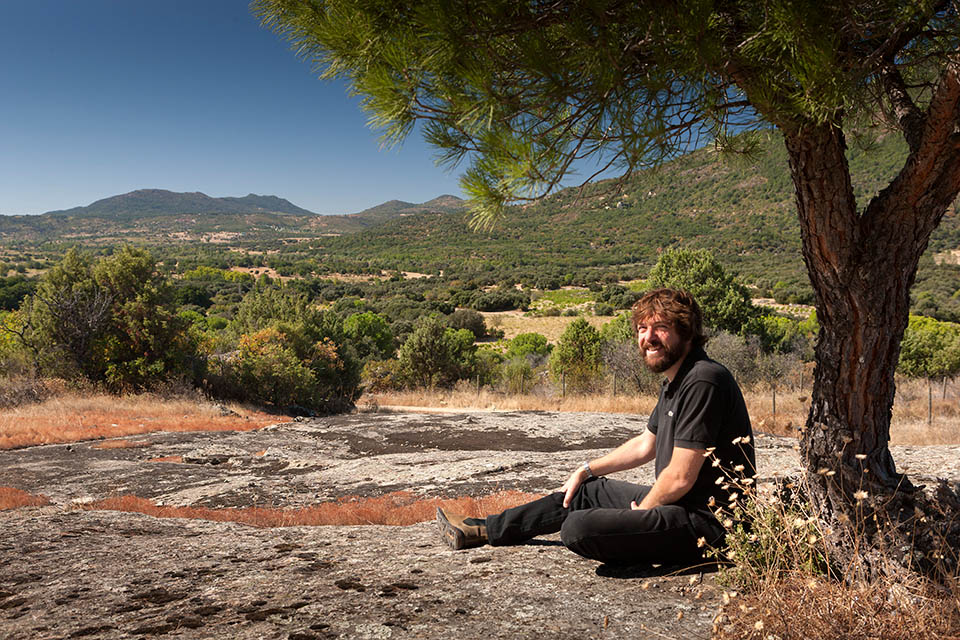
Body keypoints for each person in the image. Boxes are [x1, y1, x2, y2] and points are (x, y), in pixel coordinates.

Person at [436, 288, 755, 565]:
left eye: (660, 327)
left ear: (686, 331)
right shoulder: (676, 380)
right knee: (583, 492)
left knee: (577, 528)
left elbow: (680, 476)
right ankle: (481, 529)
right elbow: (647, 444)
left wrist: (641, 512)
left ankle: (642, 542)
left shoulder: (704, 379)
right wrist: (587, 469)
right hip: (680, 509)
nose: (648, 337)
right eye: (642, 328)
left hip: (711, 524)